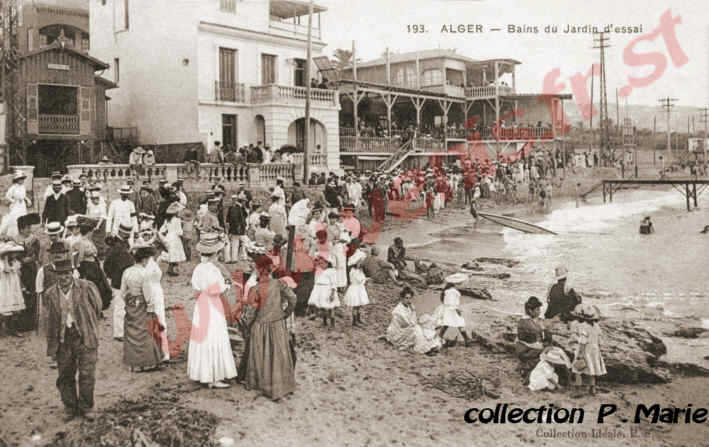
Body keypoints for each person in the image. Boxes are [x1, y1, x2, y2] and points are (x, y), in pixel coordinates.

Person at [44, 259, 102, 421]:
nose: (64, 277)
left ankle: (86, 406)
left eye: (67, 273)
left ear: (72, 273)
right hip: (63, 339)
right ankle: (70, 407)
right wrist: (52, 345)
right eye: (61, 274)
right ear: (56, 276)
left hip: (85, 336)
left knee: (87, 373)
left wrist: (87, 326)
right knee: (65, 374)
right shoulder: (50, 294)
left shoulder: (86, 287)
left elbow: (97, 307)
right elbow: (48, 321)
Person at [188, 233, 237, 388]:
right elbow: (217, 289)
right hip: (212, 304)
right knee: (214, 336)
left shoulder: (198, 268)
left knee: (202, 336)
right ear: (215, 253)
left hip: (201, 303)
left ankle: (201, 372)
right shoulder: (213, 270)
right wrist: (227, 285)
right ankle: (213, 376)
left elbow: (196, 287)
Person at [245, 255, 297, 400]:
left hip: (261, 325)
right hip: (278, 323)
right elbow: (293, 298)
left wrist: (246, 326)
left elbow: (250, 312)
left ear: (258, 270)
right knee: (278, 354)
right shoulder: (279, 284)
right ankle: (282, 385)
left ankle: (262, 384)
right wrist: (286, 313)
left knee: (262, 355)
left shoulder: (255, 289)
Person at [121, 242, 163, 372]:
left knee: (132, 331)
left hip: (131, 303)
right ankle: (147, 362)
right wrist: (150, 307)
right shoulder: (144, 273)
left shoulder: (127, 271)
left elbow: (123, 292)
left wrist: (130, 301)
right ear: (144, 259)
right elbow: (148, 294)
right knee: (146, 331)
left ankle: (134, 364)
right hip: (142, 303)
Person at [386, 286, 442, 355]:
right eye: (406, 298)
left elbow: (413, 321)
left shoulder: (408, 307)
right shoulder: (398, 311)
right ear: (402, 298)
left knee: (426, 322)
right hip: (397, 333)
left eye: (410, 298)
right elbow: (409, 324)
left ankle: (430, 346)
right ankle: (423, 349)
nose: (408, 300)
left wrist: (414, 311)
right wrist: (413, 312)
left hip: (407, 329)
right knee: (417, 329)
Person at [103, 224, 135, 341]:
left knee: (123, 306)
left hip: (121, 278)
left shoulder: (121, 245)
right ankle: (119, 333)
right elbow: (107, 264)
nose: (127, 235)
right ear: (122, 233)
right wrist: (113, 275)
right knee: (120, 306)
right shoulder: (117, 247)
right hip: (119, 279)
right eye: (126, 233)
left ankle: (122, 330)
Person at [74, 217, 113, 311]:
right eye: (91, 231)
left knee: (100, 286)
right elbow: (80, 257)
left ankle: (97, 307)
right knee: (92, 287)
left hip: (94, 266)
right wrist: (78, 269)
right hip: (87, 267)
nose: (92, 233)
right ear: (89, 232)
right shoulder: (81, 242)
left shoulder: (88, 241)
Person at [570, 304, 606, 396]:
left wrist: (579, 355)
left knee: (577, 369)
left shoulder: (584, 327)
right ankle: (592, 389)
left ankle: (578, 390)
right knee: (592, 370)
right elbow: (600, 341)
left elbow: (582, 342)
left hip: (585, 350)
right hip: (595, 351)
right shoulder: (597, 326)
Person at [432, 274, 472, 347]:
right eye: (461, 284)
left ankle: (440, 337)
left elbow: (447, 302)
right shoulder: (453, 292)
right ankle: (467, 339)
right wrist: (458, 310)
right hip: (452, 310)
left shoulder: (448, 290)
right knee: (460, 324)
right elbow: (452, 303)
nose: (462, 286)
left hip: (447, 309)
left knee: (446, 324)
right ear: (456, 284)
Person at [516, 296, 552, 374]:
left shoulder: (529, 320)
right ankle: (526, 366)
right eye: (537, 310)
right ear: (530, 311)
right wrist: (544, 328)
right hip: (526, 350)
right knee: (549, 352)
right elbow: (539, 334)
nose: (539, 312)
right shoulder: (526, 322)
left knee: (550, 347)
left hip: (529, 347)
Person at [0, 241, 26, 336]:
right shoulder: (2, 263)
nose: (15, 255)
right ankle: (4, 328)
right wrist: (6, 259)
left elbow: (18, 275)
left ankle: (13, 328)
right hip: (5, 287)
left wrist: (22, 286)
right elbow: (6, 270)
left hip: (14, 287)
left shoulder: (16, 262)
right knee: (5, 309)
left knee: (16, 309)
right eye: (12, 253)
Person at [307, 255, 339, 327]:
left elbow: (334, 283)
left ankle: (332, 323)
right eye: (320, 263)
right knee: (323, 306)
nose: (321, 265)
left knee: (330, 307)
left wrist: (332, 293)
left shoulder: (331, 271)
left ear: (327, 263)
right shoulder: (319, 270)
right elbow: (314, 262)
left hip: (327, 289)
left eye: (323, 263)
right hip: (320, 290)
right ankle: (324, 322)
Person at [343, 245, 369, 326]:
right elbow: (359, 280)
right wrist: (366, 279)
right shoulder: (354, 271)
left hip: (359, 289)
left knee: (359, 306)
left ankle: (358, 319)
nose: (361, 264)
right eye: (360, 262)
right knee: (355, 306)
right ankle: (354, 321)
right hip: (355, 289)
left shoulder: (359, 270)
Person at [159, 202, 186, 276]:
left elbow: (161, 231)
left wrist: (163, 238)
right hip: (175, 238)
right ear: (176, 212)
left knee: (172, 254)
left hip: (168, 237)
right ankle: (172, 270)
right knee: (175, 255)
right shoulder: (177, 220)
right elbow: (180, 232)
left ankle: (170, 269)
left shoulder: (167, 220)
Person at [1, 171, 30, 238]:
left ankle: (22, 233)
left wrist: (27, 199)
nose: (22, 181)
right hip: (16, 205)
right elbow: (7, 196)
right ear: (17, 180)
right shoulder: (13, 187)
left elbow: (24, 195)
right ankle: (14, 234)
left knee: (23, 217)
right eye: (20, 179)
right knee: (15, 218)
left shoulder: (23, 187)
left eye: (23, 179)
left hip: (22, 205)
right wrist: (13, 201)